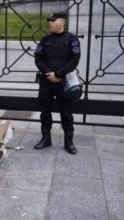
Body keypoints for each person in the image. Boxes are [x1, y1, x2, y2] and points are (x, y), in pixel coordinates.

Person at [34, 12, 81, 154]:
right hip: (46, 81)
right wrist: (49, 73)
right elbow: (38, 58)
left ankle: (69, 142)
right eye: (50, 20)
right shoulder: (45, 39)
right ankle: (46, 139)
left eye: (54, 20)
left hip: (63, 82)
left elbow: (75, 59)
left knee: (66, 112)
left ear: (62, 22)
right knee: (45, 112)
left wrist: (58, 74)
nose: (51, 23)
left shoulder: (72, 39)